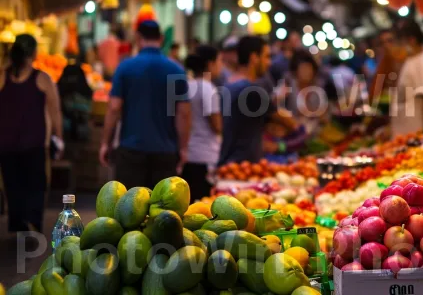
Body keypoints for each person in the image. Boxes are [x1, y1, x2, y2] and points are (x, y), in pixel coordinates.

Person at [99, 20, 191, 188]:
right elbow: (183, 113)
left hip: (131, 150)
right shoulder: (176, 70)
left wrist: (106, 142)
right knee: (162, 209)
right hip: (165, 152)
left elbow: (114, 108)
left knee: (129, 208)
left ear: (137, 37)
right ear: (161, 38)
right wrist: (183, 147)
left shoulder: (125, 68)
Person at [0, 34, 62, 232]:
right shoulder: (42, 78)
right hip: (33, 142)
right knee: (36, 184)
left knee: (13, 184)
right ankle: (32, 220)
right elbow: (55, 111)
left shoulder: (2, 76)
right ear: (34, 53)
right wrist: (58, 137)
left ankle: (18, 222)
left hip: (6, 142)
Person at [219, 36, 297, 165]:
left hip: (229, 163)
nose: (269, 62)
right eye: (266, 56)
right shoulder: (253, 91)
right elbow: (289, 123)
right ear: (254, 58)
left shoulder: (228, 84)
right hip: (242, 168)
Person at [182, 46, 222, 201]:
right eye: (219, 61)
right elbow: (216, 125)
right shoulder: (208, 88)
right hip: (206, 156)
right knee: (203, 206)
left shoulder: (188, 85)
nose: (221, 65)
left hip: (189, 154)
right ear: (210, 64)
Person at [391, 20, 423, 136]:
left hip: (419, 137)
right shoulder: (411, 60)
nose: (394, 47)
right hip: (406, 138)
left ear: (412, 40)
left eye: (398, 42)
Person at [283, 50, 328, 135]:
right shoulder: (288, 85)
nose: (307, 72)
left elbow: (324, 114)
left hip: (315, 133)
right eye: (303, 69)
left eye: (309, 68)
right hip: (292, 133)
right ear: (295, 71)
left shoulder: (318, 86)